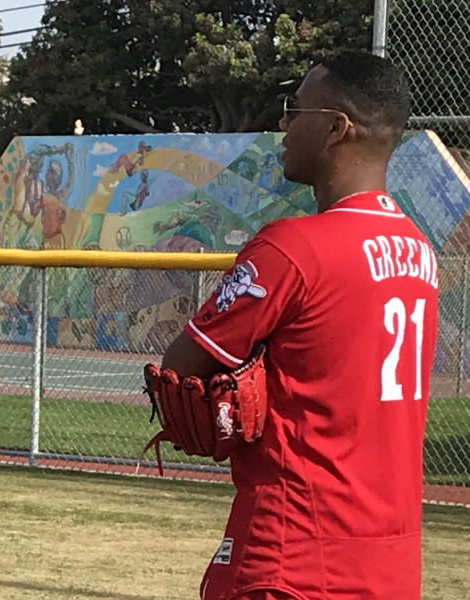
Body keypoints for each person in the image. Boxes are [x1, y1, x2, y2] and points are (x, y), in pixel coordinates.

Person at [159, 51, 439, 600]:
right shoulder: (420, 251)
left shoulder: (292, 247)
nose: (285, 123)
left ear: (337, 128)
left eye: (297, 109)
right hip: (392, 561)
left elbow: (182, 367)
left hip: (293, 556)